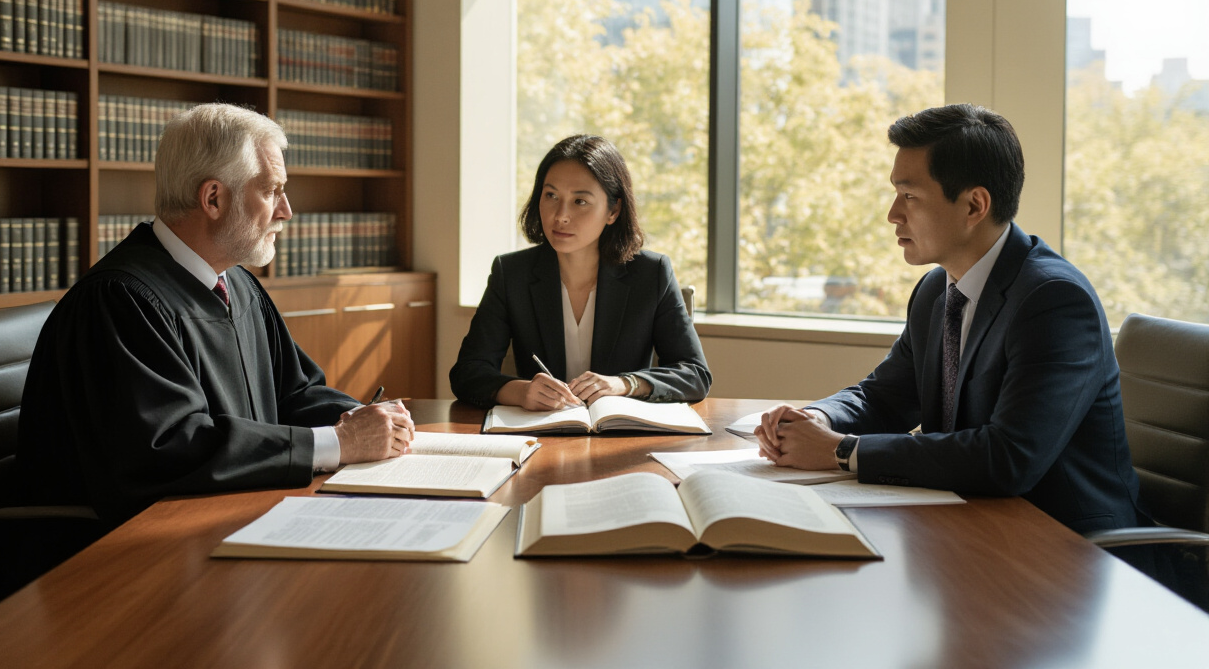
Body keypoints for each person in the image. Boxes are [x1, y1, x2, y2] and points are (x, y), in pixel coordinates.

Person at [17, 103, 414, 568]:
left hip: (229, 527)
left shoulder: (235, 281)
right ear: (213, 199)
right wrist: (339, 443)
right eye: (273, 191)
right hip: (112, 565)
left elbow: (295, 391)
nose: (287, 210)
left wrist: (365, 419)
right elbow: (172, 449)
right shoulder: (120, 301)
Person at [755, 104, 1144, 534]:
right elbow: (884, 397)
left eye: (909, 196)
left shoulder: (1053, 300)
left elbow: (1009, 458)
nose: (893, 215)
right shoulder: (936, 292)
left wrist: (842, 451)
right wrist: (815, 420)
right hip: (972, 524)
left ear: (974, 205)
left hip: (1069, 548)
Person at [450, 134, 710, 410]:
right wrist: (521, 391)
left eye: (580, 201)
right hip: (538, 436)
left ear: (613, 210)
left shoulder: (651, 273)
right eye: (551, 196)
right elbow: (467, 373)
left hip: (622, 437)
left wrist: (623, 384)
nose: (560, 215)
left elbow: (694, 374)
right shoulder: (512, 273)